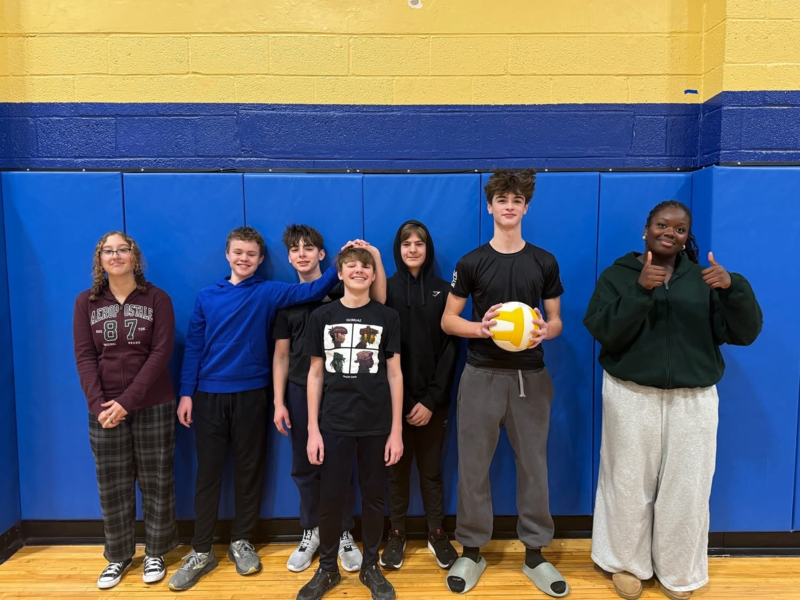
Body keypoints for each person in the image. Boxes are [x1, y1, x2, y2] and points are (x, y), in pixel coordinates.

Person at [584, 200, 762, 600]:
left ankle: (680, 571)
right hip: (631, 395)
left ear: (686, 238)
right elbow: (603, 330)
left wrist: (734, 288)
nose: (670, 232)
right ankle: (627, 565)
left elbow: (744, 333)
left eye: (680, 229)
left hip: (693, 398)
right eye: (662, 225)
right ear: (645, 230)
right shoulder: (618, 275)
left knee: (688, 487)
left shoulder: (706, 279)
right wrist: (640, 290)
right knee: (627, 482)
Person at [168, 226, 343, 591]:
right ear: (227, 255)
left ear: (261, 260)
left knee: (250, 471)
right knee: (209, 474)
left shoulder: (268, 291)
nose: (244, 259)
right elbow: (194, 347)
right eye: (238, 253)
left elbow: (312, 289)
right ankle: (201, 550)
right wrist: (187, 393)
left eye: (251, 254)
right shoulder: (206, 296)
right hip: (208, 397)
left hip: (252, 394)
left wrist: (341, 261)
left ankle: (241, 541)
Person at [441, 169, 569, 597]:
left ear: (526, 207)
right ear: (490, 205)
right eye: (502, 199)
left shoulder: (544, 261)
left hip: (530, 377)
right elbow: (449, 320)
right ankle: (472, 549)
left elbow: (556, 321)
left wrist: (543, 332)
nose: (509, 206)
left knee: (534, 465)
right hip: (481, 376)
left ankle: (535, 554)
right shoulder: (472, 262)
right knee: (473, 466)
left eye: (517, 199)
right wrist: (482, 329)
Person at [272, 224, 386, 573]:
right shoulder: (286, 299)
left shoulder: (342, 288)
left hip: (341, 390)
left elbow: (380, 303)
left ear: (324, 255)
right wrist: (278, 401)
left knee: (341, 463)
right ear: (289, 256)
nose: (302, 253)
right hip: (299, 388)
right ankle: (314, 531)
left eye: (310, 248)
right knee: (306, 466)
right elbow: (280, 356)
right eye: (295, 249)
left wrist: (374, 255)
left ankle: (344, 531)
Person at [297, 246, 403, 600]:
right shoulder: (322, 316)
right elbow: (314, 374)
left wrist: (396, 431)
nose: (359, 271)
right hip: (333, 424)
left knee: (374, 499)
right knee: (331, 499)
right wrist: (313, 429)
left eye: (365, 267)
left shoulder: (387, 317)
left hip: (375, 425)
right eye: (351, 266)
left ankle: (370, 567)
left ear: (374, 275)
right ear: (339, 274)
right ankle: (327, 569)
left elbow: (395, 374)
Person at [73, 231, 178, 589]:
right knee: (112, 485)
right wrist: (98, 404)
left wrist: (127, 402)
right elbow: (85, 356)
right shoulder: (85, 303)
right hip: (103, 409)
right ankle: (118, 556)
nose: (115, 256)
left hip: (153, 403)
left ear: (135, 257)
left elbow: (161, 354)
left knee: (157, 480)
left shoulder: (157, 299)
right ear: (99, 259)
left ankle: (156, 552)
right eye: (108, 251)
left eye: (123, 250)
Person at [381, 220, 459, 571]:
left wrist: (430, 400)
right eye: (406, 244)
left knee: (430, 471)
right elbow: (383, 352)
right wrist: (407, 400)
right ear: (398, 250)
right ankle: (396, 534)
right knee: (395, 471)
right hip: (395, 403)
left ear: (427, 250)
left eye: (419, 243)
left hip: (433, 405)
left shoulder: (445, 292)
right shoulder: (386, 292)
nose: (413, 249)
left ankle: (436, 532)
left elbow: (449, 351)